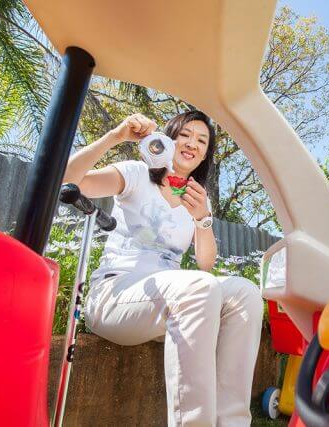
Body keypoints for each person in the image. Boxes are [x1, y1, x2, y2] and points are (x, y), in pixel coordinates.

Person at [62, 110, 264, 427]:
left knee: (246, 293)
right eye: (185, 135)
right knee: (200, 286)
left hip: (167, 302)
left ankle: (232, 423)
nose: (192, 144)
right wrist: (116, 136)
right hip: (116, 295)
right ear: (168, 139)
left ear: (205, 156)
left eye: (202, 141)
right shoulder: (136, 173)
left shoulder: (198, 197)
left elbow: (205, 263)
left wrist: (202, 219)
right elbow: (68, 181)